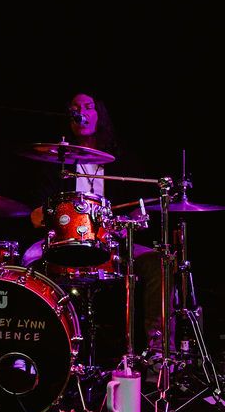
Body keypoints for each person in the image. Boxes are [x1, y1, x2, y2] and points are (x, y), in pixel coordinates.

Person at [25, 92, 163, 364]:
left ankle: (158, 356)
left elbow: (140, 207)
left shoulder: (122, 160)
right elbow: (37, 215)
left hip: (114, 244)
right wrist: (47, 216)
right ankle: (35, 351)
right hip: (66, 243)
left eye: (88, 107)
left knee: (158, 262)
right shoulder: (57, 163)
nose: (81, 112)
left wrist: (121, 226)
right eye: (75, 107)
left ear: (99, 114)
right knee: (28, 259)